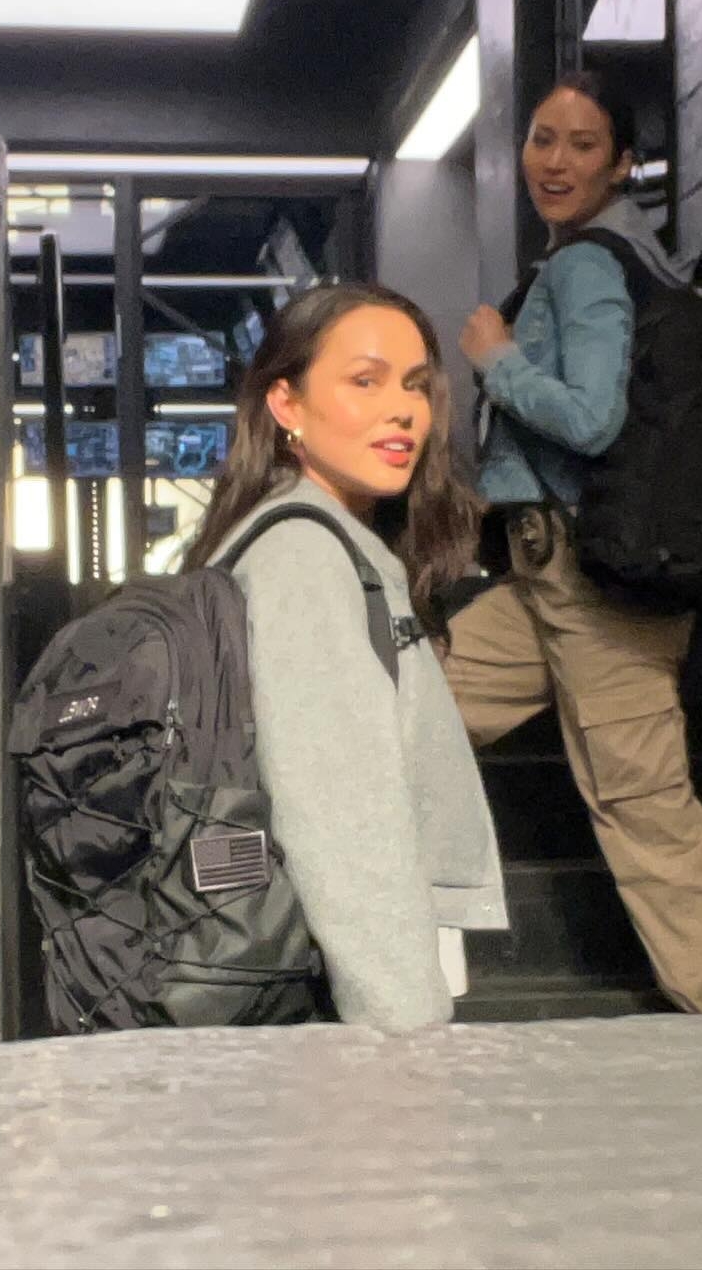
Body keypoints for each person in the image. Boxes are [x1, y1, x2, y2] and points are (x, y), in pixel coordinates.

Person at [443, 70, 702, 1014]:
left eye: (583, 145)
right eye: (543, 138)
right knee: (409, 705)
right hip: (547, 583)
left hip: (594, 586)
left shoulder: (587, 266)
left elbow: (591, 419)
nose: (555, 160)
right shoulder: (627, 262)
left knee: (644, 809)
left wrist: (496, 359)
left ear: (621, 165)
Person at [185, 282, 508, 1032]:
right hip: (349, 1005)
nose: (404, 410)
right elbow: (342, 819)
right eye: (365, 381)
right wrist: (405, 1035)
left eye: (416, 385)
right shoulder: (303, 556)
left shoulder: (326, 543)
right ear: (286, 404)